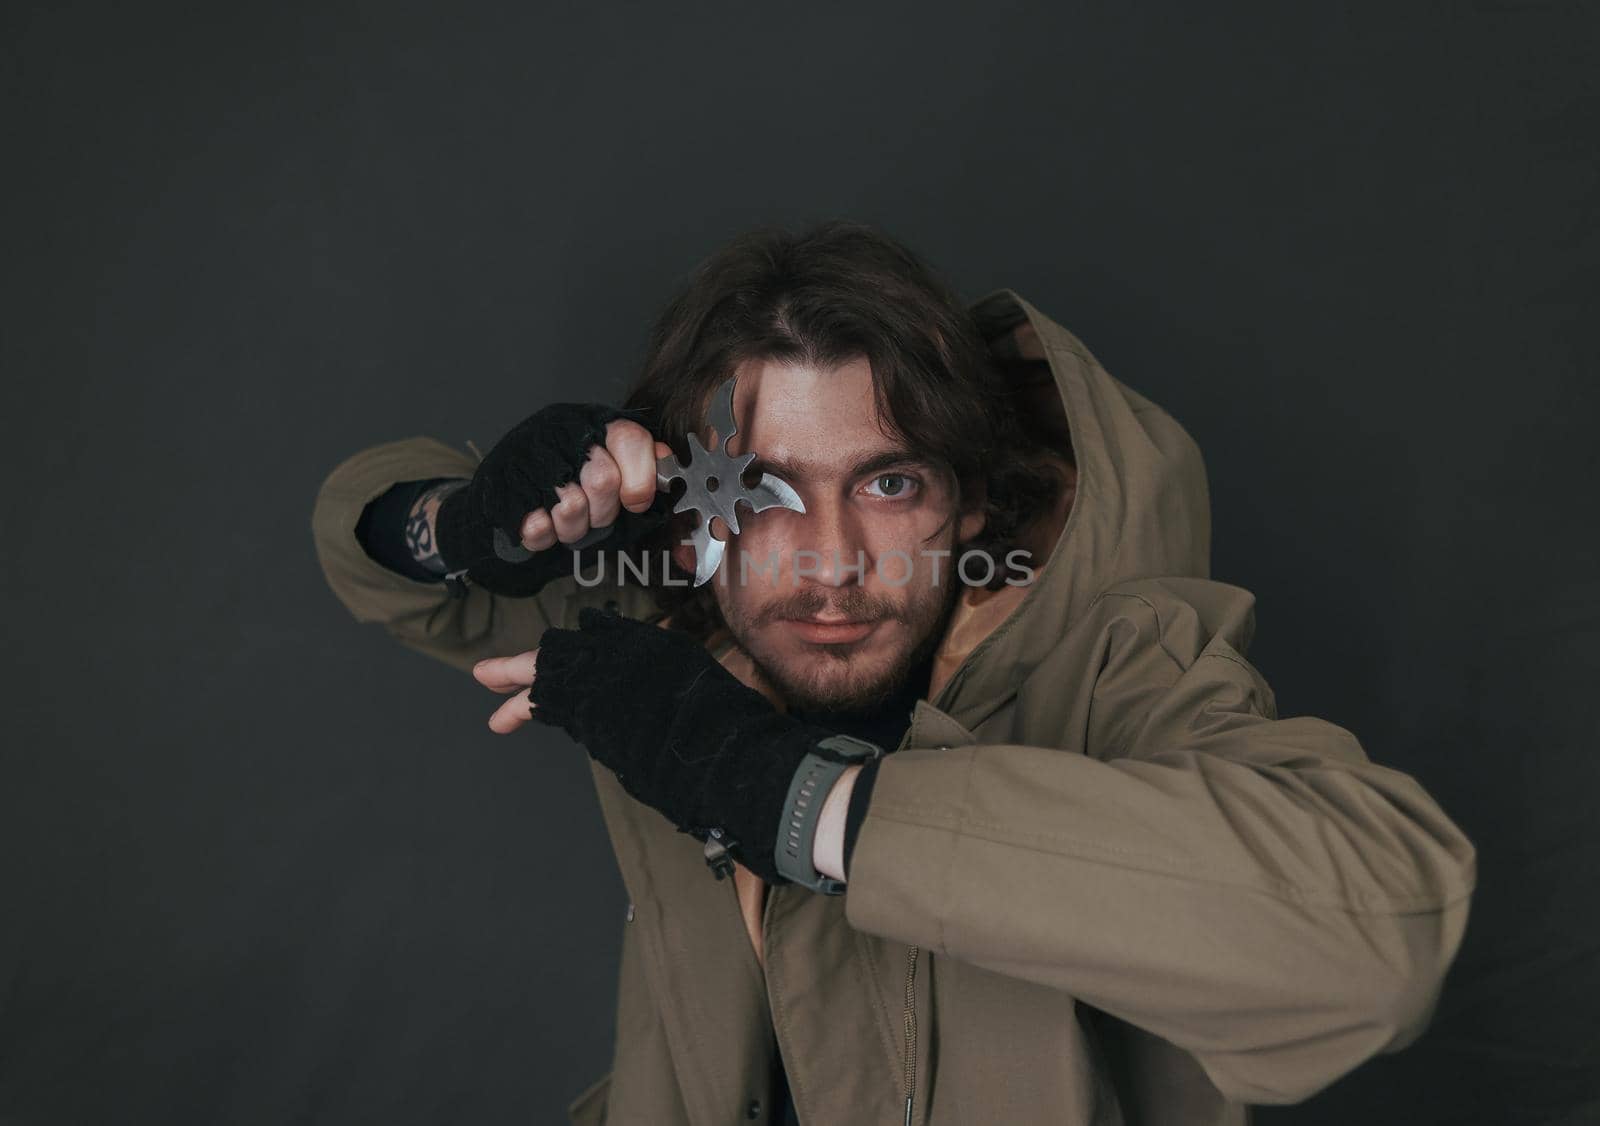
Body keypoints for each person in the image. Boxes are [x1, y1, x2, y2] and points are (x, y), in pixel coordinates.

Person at [311, 221, 1476, 1125]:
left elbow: (1379, 934)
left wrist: (789, 798)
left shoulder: (1119, 665)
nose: (828, 560)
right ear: (685, 522)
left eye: (887, 484)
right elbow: (378, 554)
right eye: (760, 492)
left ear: (970, 497)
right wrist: (459, 523)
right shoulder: (667, 630)